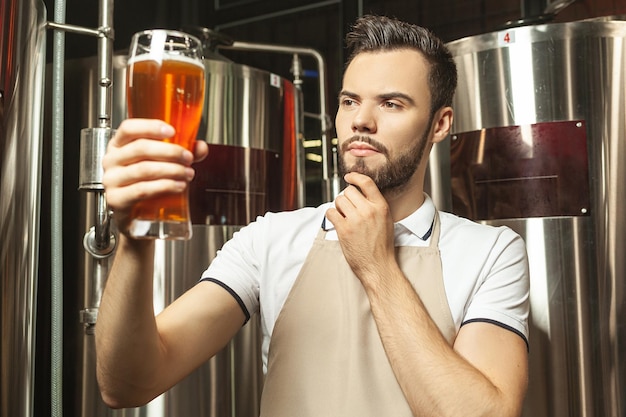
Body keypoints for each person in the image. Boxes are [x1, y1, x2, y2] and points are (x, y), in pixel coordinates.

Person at [96, 14, 530, 417]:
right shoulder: (268, 239)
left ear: (440, 124)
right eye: (349, 101)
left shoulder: (492, 253)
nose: (361, 120)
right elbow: (128, 384)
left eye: (391, 104)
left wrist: (377, 268)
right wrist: (134, 239)